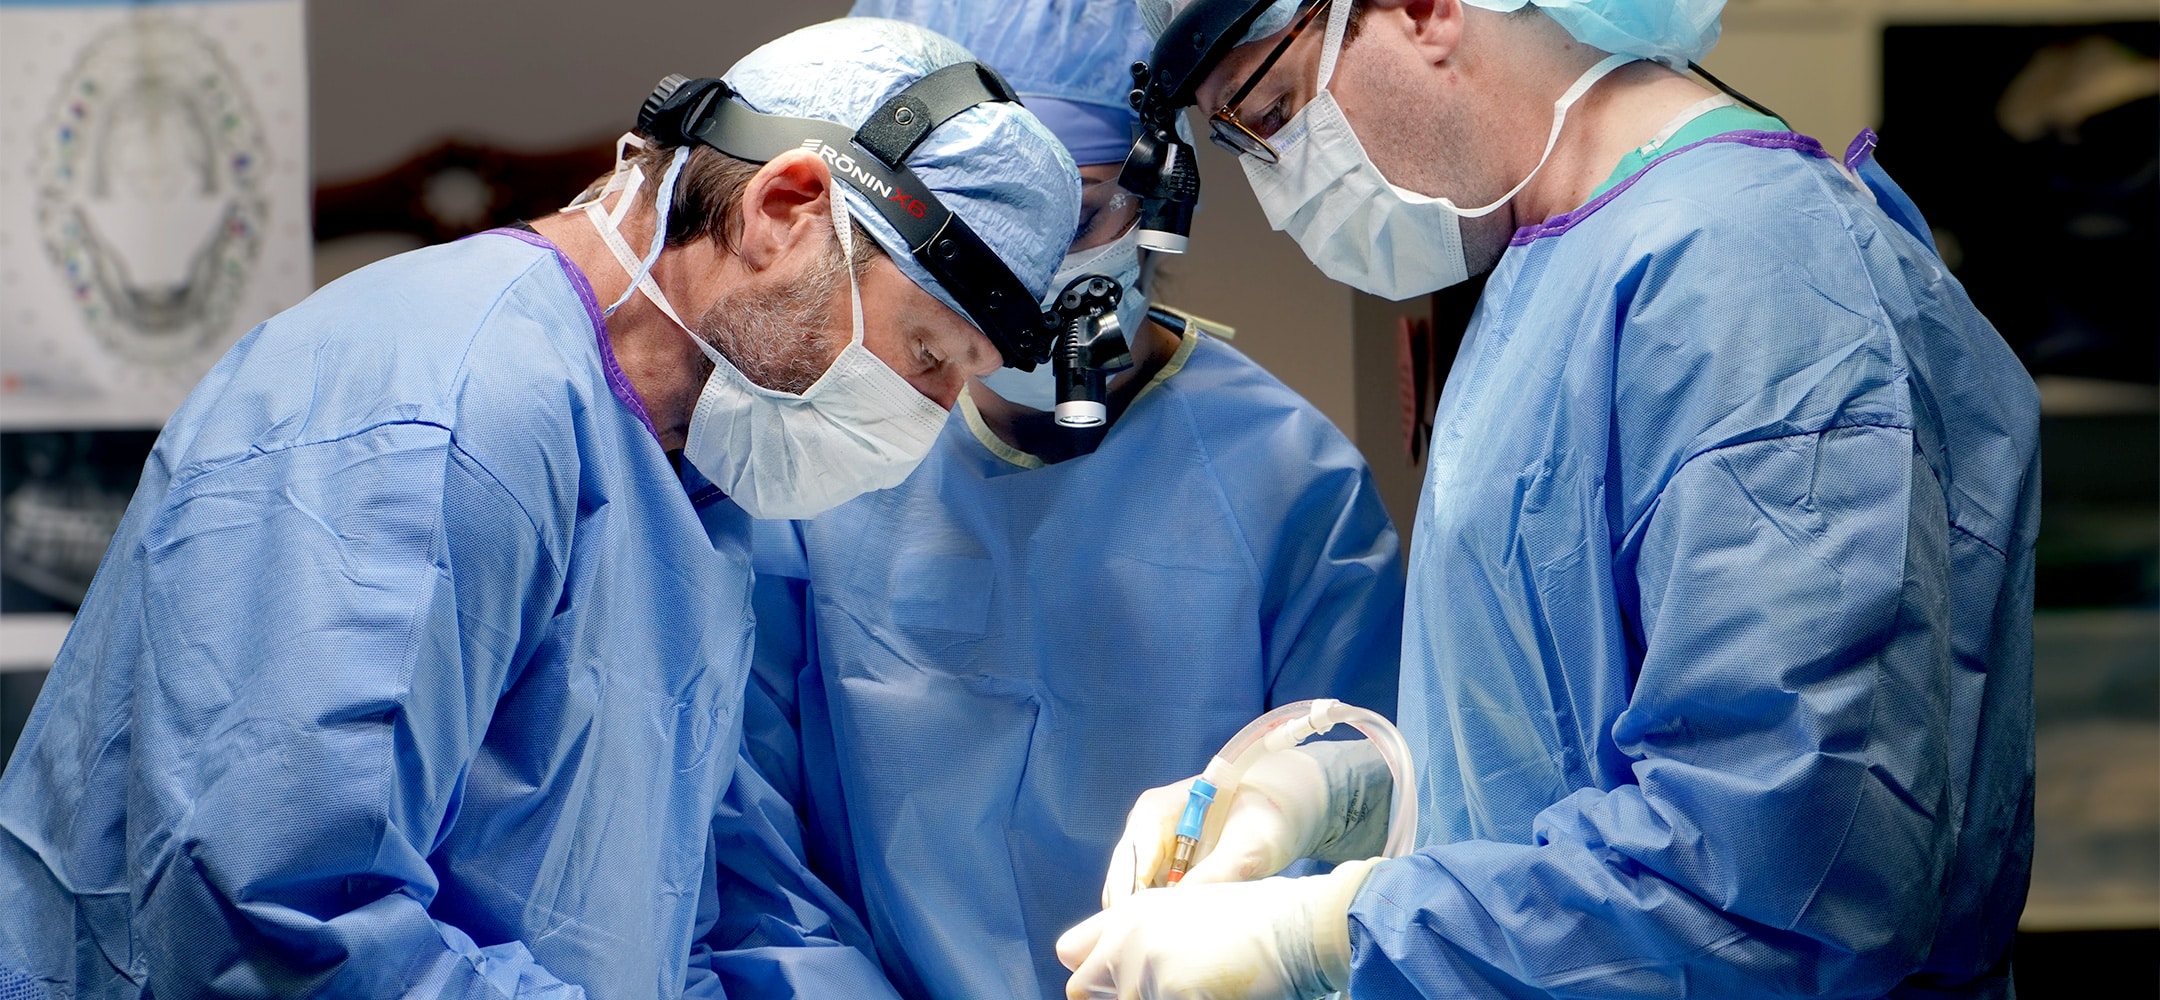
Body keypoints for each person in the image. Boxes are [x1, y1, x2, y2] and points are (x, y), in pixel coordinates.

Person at [0, 18, 1081, 1000]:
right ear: (783, 210)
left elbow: (705, 893)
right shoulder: (437, 411)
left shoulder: (693, 475)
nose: (932, 414)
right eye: (929, 355)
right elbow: (282, 926)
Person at [1056, 0, 2041, 997]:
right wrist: (1352, 796)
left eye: (1270, 111)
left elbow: (1776, 880)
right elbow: (1554, 751)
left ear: (1424, 10)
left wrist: (1333, 930)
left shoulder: (1755, 279)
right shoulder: (1553, 262)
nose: (1279, 194)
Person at [738, 2, 1406, 998]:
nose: (1028, 269)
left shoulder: (1292, 487)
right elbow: (757, 860)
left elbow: (1352, 839)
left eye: (1079, 206)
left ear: (1164, 188)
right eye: (978, 233)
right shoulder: (825, 464)